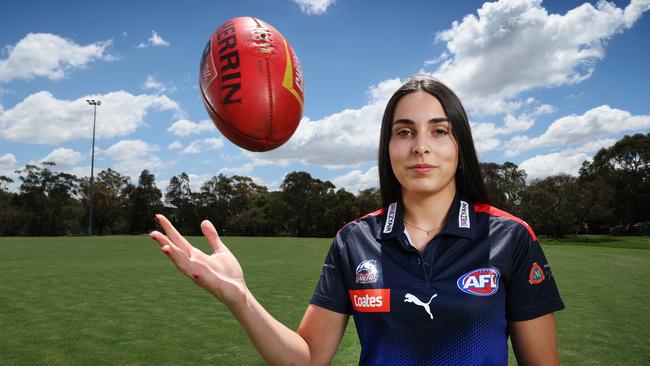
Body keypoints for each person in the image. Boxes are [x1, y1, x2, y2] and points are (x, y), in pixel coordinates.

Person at [150, 75, 565, 365]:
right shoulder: (355, 241)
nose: (421, 147)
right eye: (405, 132)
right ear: (388, 146)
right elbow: (307, 359)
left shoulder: (510, 238)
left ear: (461, 144)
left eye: (439, 131)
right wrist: (241, 298)